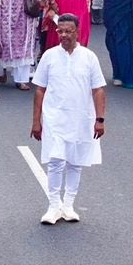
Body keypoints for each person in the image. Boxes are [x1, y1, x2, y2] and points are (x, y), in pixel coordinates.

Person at [31, 13, 108, 225]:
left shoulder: (89, 57)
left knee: (75, 162)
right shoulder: (49, 56)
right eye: (60, 31)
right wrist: (36, 122)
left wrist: (100, 119)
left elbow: (98, 90)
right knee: (56, 161)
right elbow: (40, 90)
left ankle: (69, 205)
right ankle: (53, 206)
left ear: (77, 31)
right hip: (55, 117)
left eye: (68, 31)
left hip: (81, 118)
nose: (63, 35)